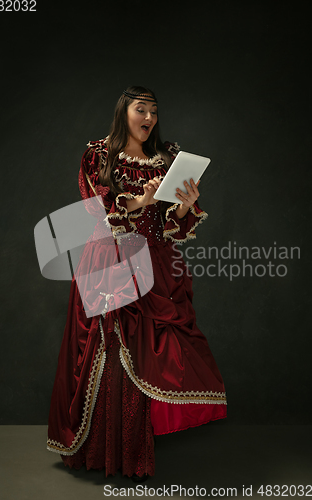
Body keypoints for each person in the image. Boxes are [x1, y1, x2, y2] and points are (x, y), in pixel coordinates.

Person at [47, 86, 227, 481]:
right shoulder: (99, 154)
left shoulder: (167, 159)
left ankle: (135, 449)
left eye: (154, 111)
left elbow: (171, 228)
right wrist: (139, 203)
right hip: (111, 259)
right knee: (110, 351)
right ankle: (103, 451)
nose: (149, 118)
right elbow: (96, 207)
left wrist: (181, 204)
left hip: (157, 264)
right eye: (140, 109)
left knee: (150, 351)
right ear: (123, 113)